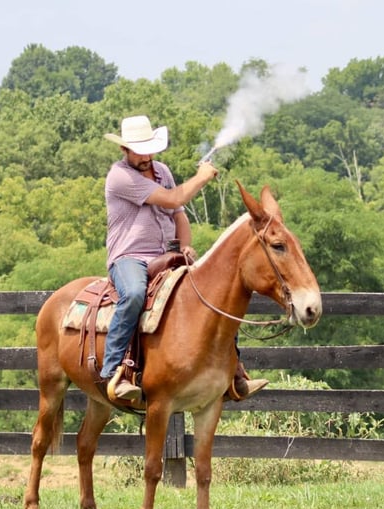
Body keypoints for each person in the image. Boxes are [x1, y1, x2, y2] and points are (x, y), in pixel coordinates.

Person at [101, 115, 268, 402]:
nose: (146, 155)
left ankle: (233, 371)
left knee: (216, 293)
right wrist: (201, 178)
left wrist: (186, 247)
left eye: (149, 148)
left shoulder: (162, 171)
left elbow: (179, 215)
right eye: (139, 149)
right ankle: (115, 369)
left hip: (165, 255)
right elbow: (173, 200)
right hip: (129, 257)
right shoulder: (120, 177)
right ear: (125, 150)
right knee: (134, 294)